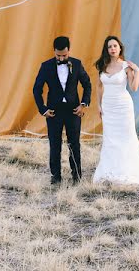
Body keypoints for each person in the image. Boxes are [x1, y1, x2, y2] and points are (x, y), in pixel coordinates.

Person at [92, 35, 139, 186]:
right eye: (110, 47)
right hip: (108, 107)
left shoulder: (126, 66)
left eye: (115, 46)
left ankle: (128, 170)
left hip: (123, 106)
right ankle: (110, 171)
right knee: (110, 138)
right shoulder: (103, 66)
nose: (112, 49)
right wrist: (99, 105)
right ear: (106, 50)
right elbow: (99, 87)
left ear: (120, 48)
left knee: (126, 137)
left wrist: (137, 71)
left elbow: (134, 87)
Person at [32, 35, 91, 185]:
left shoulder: (77, 64)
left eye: (64, 55)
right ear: (54, 52)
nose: (61, 58)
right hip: (54, 113)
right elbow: (36, 89)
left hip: (73, 111)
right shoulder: (46, 66)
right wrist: (43, 109)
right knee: (54, 144)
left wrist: (83, 104)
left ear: (69, 51)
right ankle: (56, 177)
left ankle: (77, 177)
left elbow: (87, 84)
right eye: (58, 55)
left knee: (74, 144)